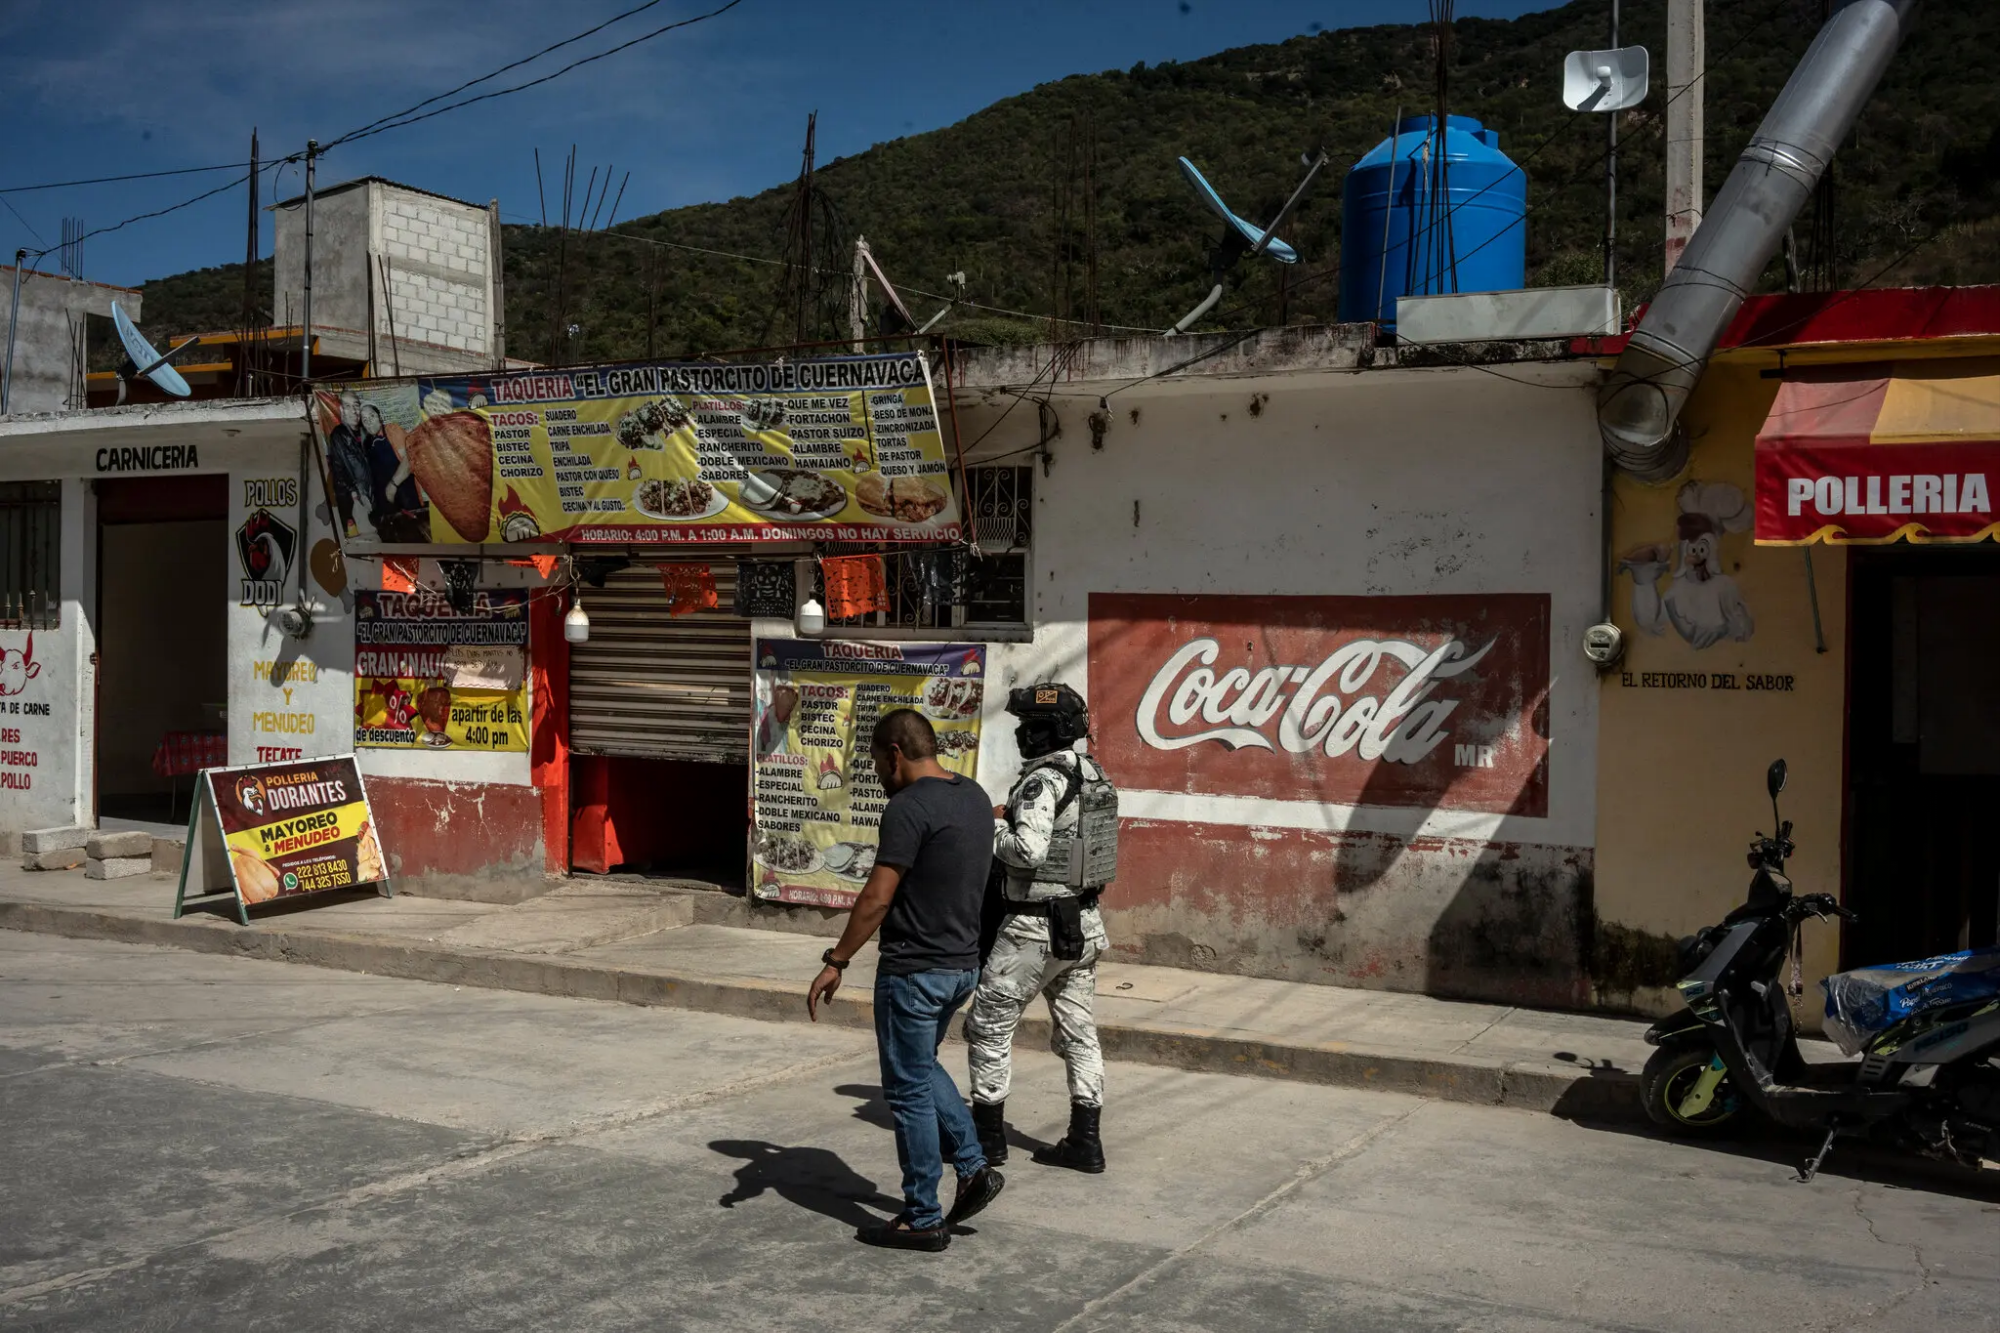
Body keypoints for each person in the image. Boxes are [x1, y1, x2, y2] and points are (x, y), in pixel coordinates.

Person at [807, 708, 1005, 1252]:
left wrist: (837, 960)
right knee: (920, 1068)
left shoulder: (908, 807)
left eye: (874, 760)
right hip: (961, 966)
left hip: (914, 970)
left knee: (907, 1090)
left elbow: (876, 897)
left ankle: (922, 1214)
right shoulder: (974, 797)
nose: (874, 771)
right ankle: (972, 1167)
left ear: (894, 753)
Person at [966, 682, 1116, 1175]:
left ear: (1044, 732)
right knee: (1079, 1032)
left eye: (1026, 727)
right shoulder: (1094, 775)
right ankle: (1085, 1141)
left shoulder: (1042, 782)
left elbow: (1027, 851)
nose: (1019, 735)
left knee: (989, 1027)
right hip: (1083, 923)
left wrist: (987, 829)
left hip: (1033, 928)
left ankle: (987, 1141)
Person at [324, 390, 372, 539]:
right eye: (348, 406)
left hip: (372, 497)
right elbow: (338, 470)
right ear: (342, 410)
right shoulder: (339, 435)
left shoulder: (367, 431)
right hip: (356, 500)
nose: (353, 411)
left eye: (356, 406)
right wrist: (354, 494)